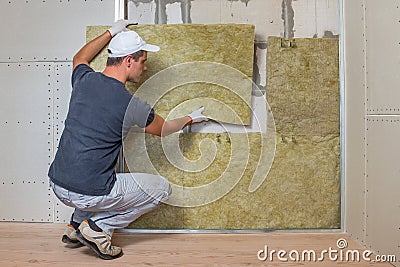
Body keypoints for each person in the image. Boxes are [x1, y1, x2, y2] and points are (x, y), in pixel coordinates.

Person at [48, 20, 207, 260]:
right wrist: (190, 119)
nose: (144, 69)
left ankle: (74, 227)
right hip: (88, 192)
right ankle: (97, 228)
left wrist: (112, 31)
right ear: (128, 61)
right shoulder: (131, 105)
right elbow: (164, 129)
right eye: (143, 62)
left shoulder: (84, 80)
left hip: (58, 184)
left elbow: (79, 58)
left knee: (91, 173)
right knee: (161, 189)